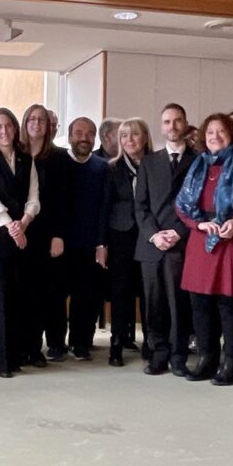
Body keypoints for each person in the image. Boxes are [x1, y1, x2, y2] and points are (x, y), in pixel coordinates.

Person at [176, 114, 233, 385]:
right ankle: (206, 359)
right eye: (210, 131)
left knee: (230, 307)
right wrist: (198, 224)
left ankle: (232, 364)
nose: (215, 136)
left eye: (221, 131)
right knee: (200, 305)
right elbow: (182, 205)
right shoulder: (197, 165)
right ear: (203, 136)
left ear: (232, 135)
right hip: (201, 241)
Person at [0, 108, 40, 377]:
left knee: (21, 296)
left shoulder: (27, 158)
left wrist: (24, 222)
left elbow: (34, 196)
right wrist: (12, 227)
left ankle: (18, 356)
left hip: (24, 233)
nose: (4, 131)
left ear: (15, 129)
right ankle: (1, 363)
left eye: (8, 126)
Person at [135, 103, 196, 376]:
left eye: (178, 121)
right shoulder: (149, 162)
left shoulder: (198, 161)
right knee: (154, 303)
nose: (172, 126)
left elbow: (199, 205)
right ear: (161, 127)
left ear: (185, 124)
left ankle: (178, 355)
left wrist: (179, 232)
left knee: (179, 304)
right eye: (167, 122)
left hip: (182, 243)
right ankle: (158, 353)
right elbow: (141, 206)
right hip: (152, 245)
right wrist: (154, 234)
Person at [99, 118, 152, 366]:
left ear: (145, 137)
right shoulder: (112, 168)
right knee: (121, 291)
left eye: (134, 135)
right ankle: (117, 343)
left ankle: (151, 342)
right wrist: (102, 244)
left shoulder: (156, 164)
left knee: (149, 290)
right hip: (121, 234)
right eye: (124, 136)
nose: (129, 140)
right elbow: (104, 208)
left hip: (150, 235)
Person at [19, 104, 67, 364]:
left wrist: (59, 234)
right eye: (32, 118)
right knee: (25, 292)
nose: (36, 123)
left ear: (49, 126)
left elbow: (64, 200)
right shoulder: (17, 154)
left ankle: (47, 345)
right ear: (25, 123)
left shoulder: (59, 157)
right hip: (23, 231)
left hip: (49, 233)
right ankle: (26, 345)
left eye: (42, 120)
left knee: (49, 292)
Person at [61, 117, 109, 360]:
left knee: (87, 297)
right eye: (79, 132)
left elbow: (104, 209)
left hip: (90, 244)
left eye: (90, 133)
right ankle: (57, 343)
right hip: (61, 244)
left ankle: (81, 342)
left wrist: (101, 243)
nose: (84, 137)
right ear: (70, 136)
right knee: (57, 296)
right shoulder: (59, 163)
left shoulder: (102, 167)